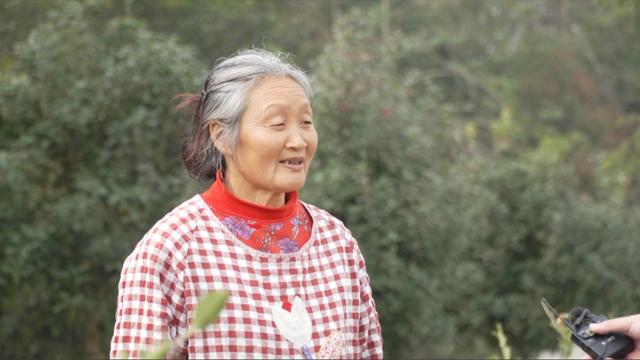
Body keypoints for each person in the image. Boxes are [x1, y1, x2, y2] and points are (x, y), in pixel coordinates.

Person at [109, 49, 383, 359]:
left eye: (306, 122)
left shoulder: (338, 244)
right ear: (223, 137)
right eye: (278, 124)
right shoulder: (172, 251)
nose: (299, 141)